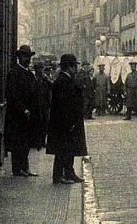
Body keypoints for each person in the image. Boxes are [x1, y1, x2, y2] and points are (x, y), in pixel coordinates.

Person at [46, 54, 87, 184]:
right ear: (69, 67)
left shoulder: (67, 79)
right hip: (64, 123)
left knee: (68, 149)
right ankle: (58, 176)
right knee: (62, 150)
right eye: (74, 66)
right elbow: (64, 105)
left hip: (67, 122)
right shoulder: (63, 81)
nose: (76, 68)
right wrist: (70, 123)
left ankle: (69, 173)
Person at [4, 45, 44, 177]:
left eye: (28, 57)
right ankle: (17, 169)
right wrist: (23, 109)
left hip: (29, 116)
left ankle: (25, 168)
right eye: (24, 56)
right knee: (18, 143)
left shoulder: (29, 74)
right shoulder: (14, 73)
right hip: (17, 116)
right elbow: (12, 95)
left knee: (26, 143)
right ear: (19, 58)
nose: (27, 59)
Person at [34, 61, 54, 147]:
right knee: (37, 123)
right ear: (36, 70)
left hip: (45, 103)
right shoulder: (33, 78)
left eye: (41, 68)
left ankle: (42, 141)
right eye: (39, 68)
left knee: (45, 122)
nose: (41, 70)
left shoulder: (45, 79)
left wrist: (46, 78)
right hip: (36, 104)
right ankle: (37, 141)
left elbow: (52, 85)